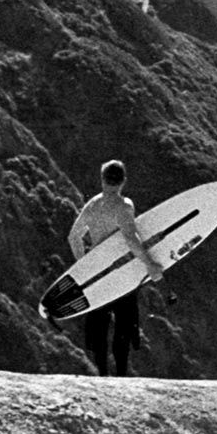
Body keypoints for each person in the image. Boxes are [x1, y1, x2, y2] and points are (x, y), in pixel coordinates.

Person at [67, 160, 163, 376]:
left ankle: (102, 372)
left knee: (99, 324)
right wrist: (150, 264)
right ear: (123, 182)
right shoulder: (124, 205)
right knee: (124, 324)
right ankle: (120, 374)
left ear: (102, 180)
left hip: (99, 274)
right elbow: (130, 238)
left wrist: (86, 266)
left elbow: (74, 237)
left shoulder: (92, 205)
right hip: (122, 273)